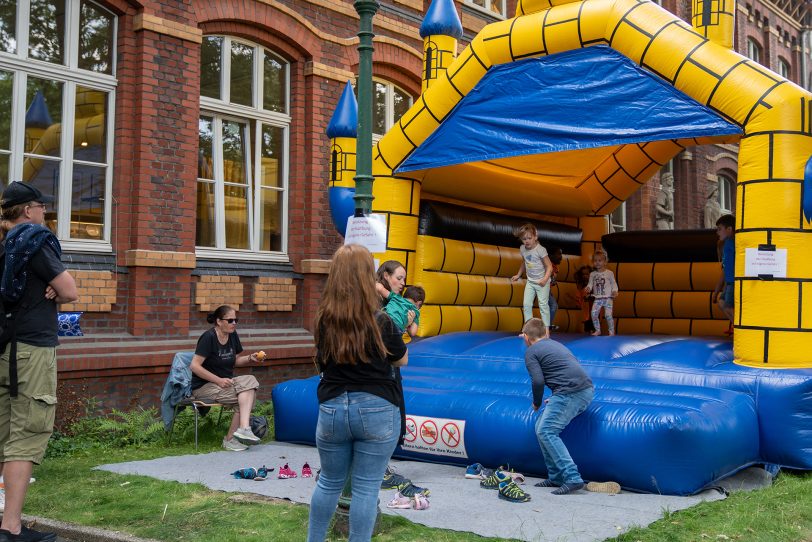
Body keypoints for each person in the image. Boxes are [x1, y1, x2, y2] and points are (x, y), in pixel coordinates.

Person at [307, 245, 408, 542]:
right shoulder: (381, 320)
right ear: (368, 276)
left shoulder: (325, 319)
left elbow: (322, 362)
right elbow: (400, 358)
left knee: (328, 482)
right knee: (366, 488)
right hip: (377, 407)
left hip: (334, 407)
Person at [0, 181, 78, 542]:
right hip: (31, 351)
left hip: (3, 349)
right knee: (26, 435)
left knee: (3, 436)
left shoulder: (3, 245)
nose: (45, 215)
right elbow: (70, 291)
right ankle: (11, 528)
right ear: (29, 210)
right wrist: (54, 287)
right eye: (42, 208)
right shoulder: (34, 239)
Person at [521, 318, 594, 495]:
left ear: (526, 337)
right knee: (540, 427)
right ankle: (556, 476)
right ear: (545, 333)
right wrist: (557, 395)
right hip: (583, 390)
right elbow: (568, 369)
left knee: (546, 430)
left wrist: (537, 402)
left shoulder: (531, 352)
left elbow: (538, 381)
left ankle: (572, 477)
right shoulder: (555, 344)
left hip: (571, 393)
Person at [190, 305, 264, 452]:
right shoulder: (208, 337)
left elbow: (234, 361)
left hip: (227, 383)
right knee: (246, 397)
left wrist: (250, 358)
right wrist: (218, 380)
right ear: (219, 321)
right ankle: (233, 437)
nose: (234, 323)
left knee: (250, 380)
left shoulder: (233, 335)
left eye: (236, 320)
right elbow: (194, 366)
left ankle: (242, 430)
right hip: (205, 386)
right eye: (230, 320)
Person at [511, 223, 552, 335]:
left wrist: (544, 279)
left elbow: (549, 266)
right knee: (527, 305)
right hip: (530, 281)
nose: (527, 241)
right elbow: (525, 262)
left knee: (543, 305)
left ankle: (547, 330)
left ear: (535, 237)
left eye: (529, 238)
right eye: (524, 239)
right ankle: (527, 331)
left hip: (542, 282)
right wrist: (518, 274)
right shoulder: (522, 249)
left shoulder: (541, 250)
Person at [584, 250, 618, 336]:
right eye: (595, 261)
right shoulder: (592, 274)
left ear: (605, 262)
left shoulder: (609, 273)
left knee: (608, 315)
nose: (597, 263)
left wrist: (614, 291)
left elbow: (613, 283)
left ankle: (611, 331)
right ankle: (597, 330)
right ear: (593, 262)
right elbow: (590, 284)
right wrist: (588, 288)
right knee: (593, 314)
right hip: (598, 298)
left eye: (600, 260)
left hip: (608, 298)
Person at [713, 214, 735, 335]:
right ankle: (736, 326)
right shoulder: (726, 244)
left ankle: (740, 329)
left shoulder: (731, 243)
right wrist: (717, 291)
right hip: (729, 282)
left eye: (719, 229)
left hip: (733, 282)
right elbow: (725, 270)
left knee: (727, 306)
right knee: (722, 303)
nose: (717, 232)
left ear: (729, 229)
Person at [567, 265, 595, 334]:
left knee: (593, 316)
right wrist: (578, 299)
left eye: (587, 274)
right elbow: (579, 293)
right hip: (585, 305)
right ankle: (589, 331)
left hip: (593, 304)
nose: (585, 276)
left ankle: (593, 330)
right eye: (583, 274)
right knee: (586, 317)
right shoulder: (581, 284)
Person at [547, 247, 562, 331]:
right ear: (551, 255)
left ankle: (547, 325)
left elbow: (552, 281)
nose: (561, 256)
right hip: (542, 289)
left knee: (552, 306)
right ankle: (547, 325)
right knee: (553, 305)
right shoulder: (548, 265)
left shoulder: (555, 267)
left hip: (547, 290)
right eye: (559, 254)